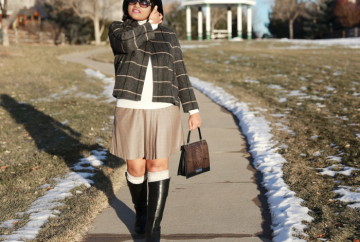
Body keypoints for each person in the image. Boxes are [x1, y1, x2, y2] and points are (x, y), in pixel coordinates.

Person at [108, 0, 202, 241]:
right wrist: (148, 26)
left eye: (145, 1)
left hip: (163, 108)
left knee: (157, 165)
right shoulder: (119, 29)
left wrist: (192, 109)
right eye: (133, 1)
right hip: (130, 108)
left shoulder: (169, 35)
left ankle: (154, 228)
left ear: (155, 7)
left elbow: (180, 72)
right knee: (136, 167)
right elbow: (127, 45)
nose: (137, 5)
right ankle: (141, 211)